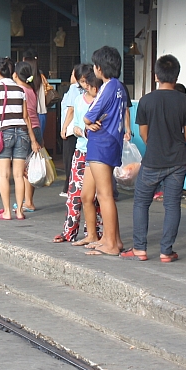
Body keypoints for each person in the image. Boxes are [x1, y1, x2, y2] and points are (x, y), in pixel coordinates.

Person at [122, 55, 186, 263]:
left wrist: (155, 143)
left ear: (156, 76)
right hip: (178, 161)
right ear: (177, 75)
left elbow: (143, 132)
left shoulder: (146, 100)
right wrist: (175, 142)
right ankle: (166, 251)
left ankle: (140, 248)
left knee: (141, 203)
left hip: (152, 160)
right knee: (172, 205)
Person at [82, 46, 127, 256]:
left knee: (104, 195)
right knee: (102, 194)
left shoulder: (108, 87)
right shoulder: (120, 87)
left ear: (100, 67)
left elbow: (89, 116)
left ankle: (109, 242)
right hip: (109, 142)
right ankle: (113, 239)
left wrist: (88, 122)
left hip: (102, 143)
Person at [0, 57, 39, 220]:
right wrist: (33, 139)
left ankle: (7, 211)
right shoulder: (20, 89)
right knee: (18, 175)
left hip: (4, 133)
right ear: (12, 72)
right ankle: (20, 211)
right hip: (22, 133)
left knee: (4, 175)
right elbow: (26, 116)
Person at [56, 66, 102, 243]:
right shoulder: (78, 100)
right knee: (74, 195)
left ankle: (95, 232)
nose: (89, 88)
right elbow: (75, 126)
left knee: (96, 198)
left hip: (99, 155)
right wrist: (82, 130)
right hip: (81, 151)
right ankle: (69, 232)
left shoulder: (102, 101)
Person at [13, 61, 43, 213]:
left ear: (16, 75)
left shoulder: (20, 90)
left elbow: (25, 116)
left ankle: (28, 202)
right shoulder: (31, 89)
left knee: (25, 168)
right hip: (36, 128)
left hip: (27, 130)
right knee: (29, 167)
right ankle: (27, 200)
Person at [59, 66, 83, 198]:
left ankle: (68, 187)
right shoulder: (85, 89)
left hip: (70, 129)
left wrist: (64, 127)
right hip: (80, 128)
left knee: (68, 158)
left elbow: (70, 110)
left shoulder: (74, 88)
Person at [21, 49, 48, 132]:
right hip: (41, 113)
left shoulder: (23, 78)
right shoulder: (40, 75)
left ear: (25, 59)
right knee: (38, 142)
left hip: (29, 114)